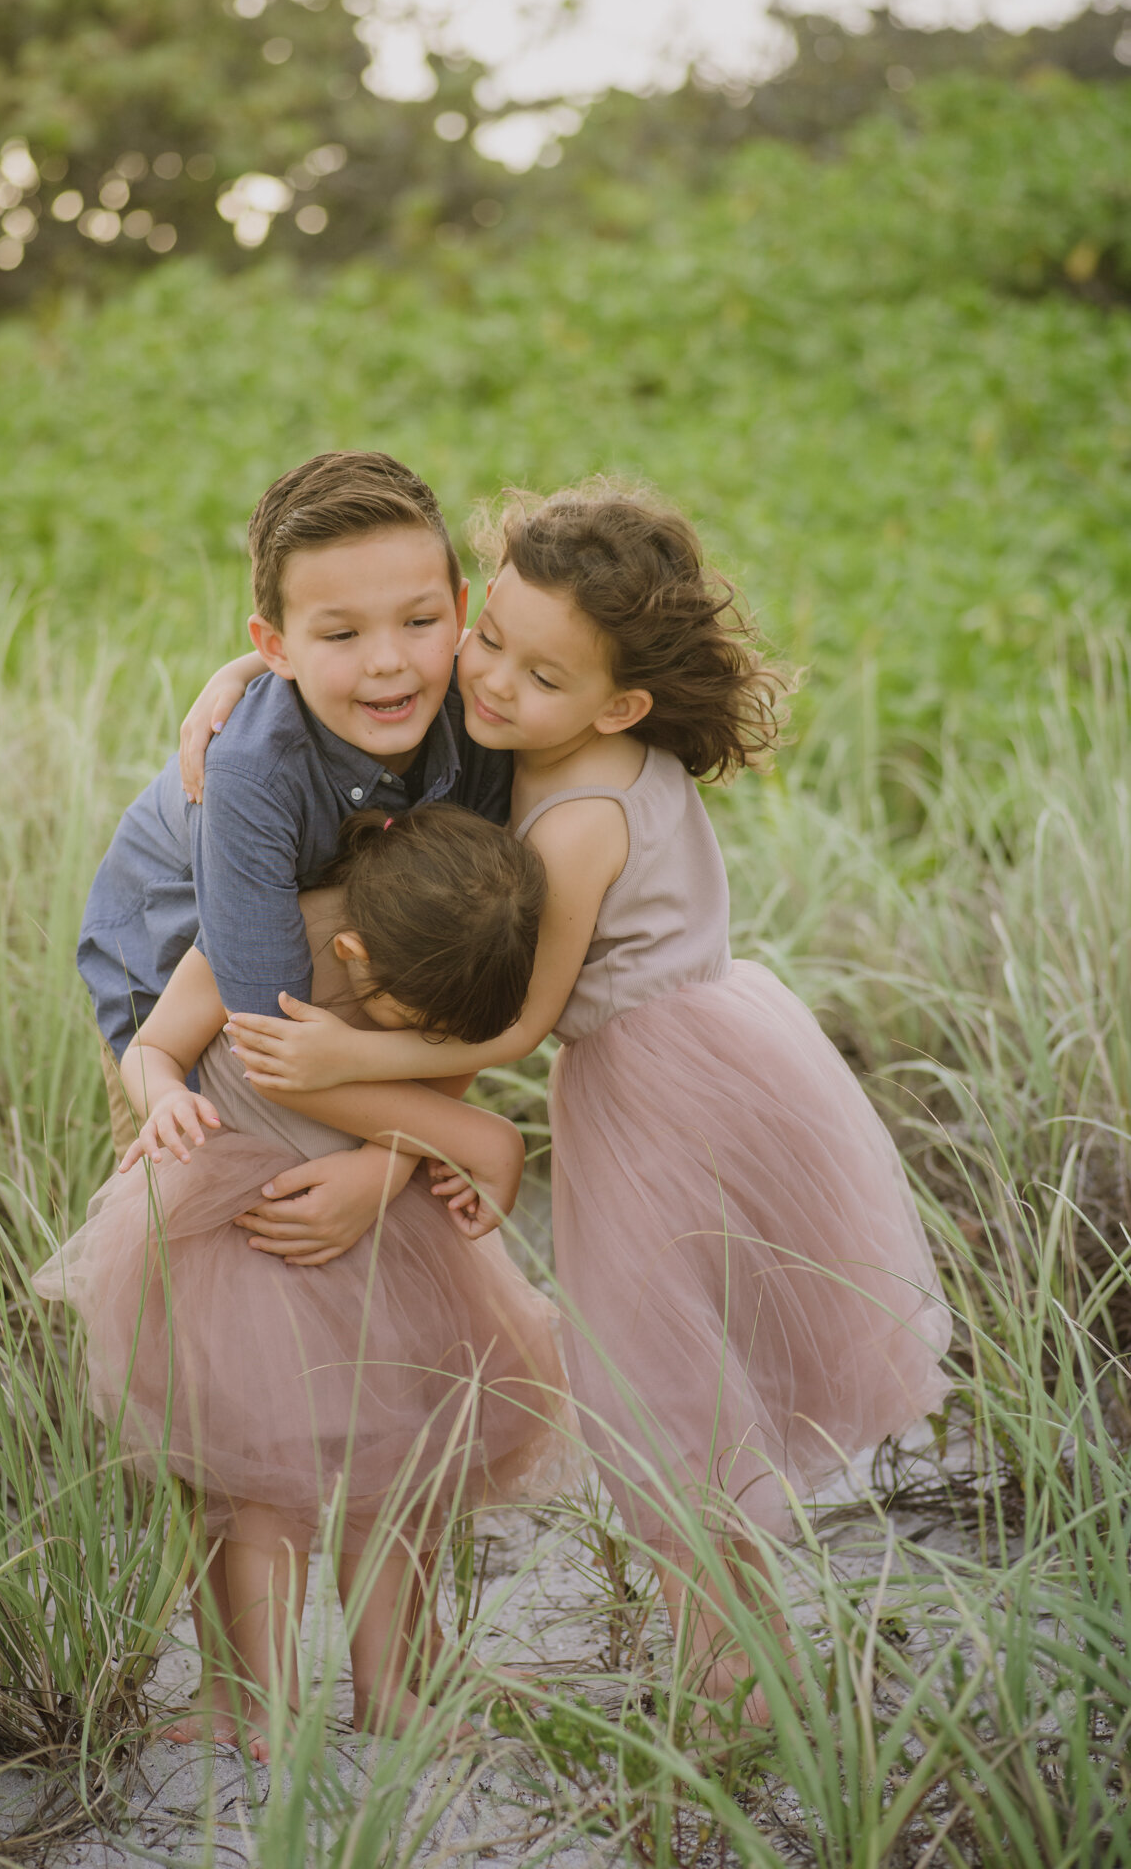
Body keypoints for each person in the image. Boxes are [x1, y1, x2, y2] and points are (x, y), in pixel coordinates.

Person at [221, 478, 952, 1725]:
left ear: (619, 702)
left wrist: (349, 1067)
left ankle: (738, 1689)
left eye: (536, 675)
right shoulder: (571, 740)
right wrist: (229, 688)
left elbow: (515, 1018)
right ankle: (740, 1662)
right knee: (679, 1374)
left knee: (655, 1386)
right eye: (488, 636)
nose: (489, 680)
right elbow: (333, 658)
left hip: (658, 1090)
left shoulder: (579, 818)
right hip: (715, 1051)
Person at [34, 803, 574, 1757]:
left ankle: (393, 1684)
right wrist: (161, 1105)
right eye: (411, 1027)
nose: (419, 1045)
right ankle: (247, 1694)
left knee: (405, 1458)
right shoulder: (262, 939)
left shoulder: (445, 965)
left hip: (382, 1228)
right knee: (247, 1477)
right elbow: (155, 1045)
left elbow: (437, 1083)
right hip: (238, 1226)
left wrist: (410, 1145)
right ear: (358, 955)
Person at [77, 448, 510, 1173]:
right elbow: (265, 1036)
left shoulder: (486, 713)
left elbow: (477, 973)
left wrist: (385, 1167)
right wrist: (454, 1137)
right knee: (207, 1207)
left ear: (461, 614)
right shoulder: (250, 771)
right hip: (187, 984)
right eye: (341, 635)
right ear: (276, 646)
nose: (386, 661)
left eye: (419, 621)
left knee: (371, 1239)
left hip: (354, 981)